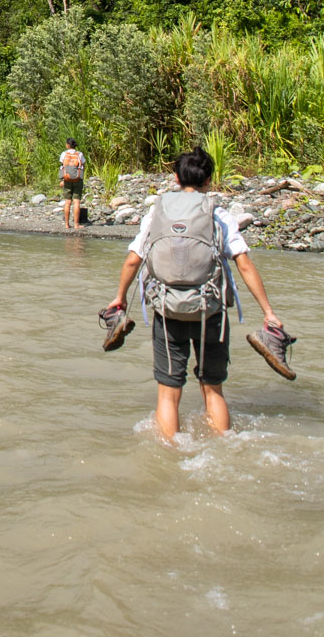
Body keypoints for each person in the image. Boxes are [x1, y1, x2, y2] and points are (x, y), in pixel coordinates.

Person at [100, 146, 296, 441]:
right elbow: (243, 264)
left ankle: (169, 455)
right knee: (213, 389)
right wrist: (268, 312)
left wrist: (120, 298)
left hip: (167, 312)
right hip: (210, 313)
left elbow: (133, 259)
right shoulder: (218, 215)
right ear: (208, 182)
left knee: (168, 393)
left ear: (176, 179)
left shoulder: (157, 214)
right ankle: (224, 447)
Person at [59, 140, 86, 230]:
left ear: (67, 145)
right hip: (78, 180)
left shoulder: (64, 154)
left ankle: (67, 224)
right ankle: (76, 224)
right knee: (76, 201)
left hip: (67, 179)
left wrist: (62, 179)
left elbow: (62, 167)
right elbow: (83, 166)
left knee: (67, 202)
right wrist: (80, 176)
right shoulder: (80, 154)